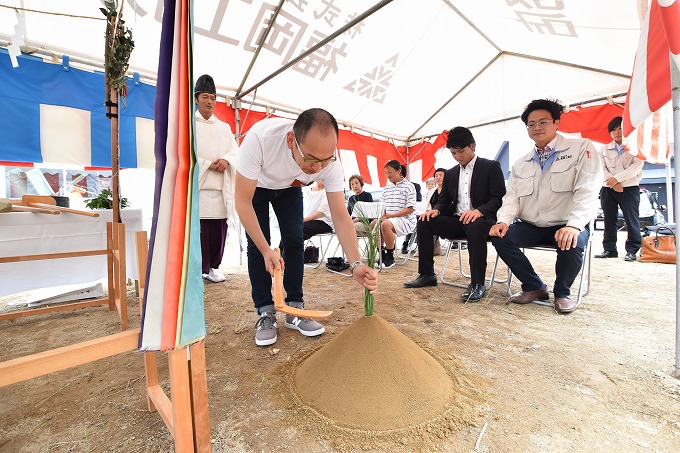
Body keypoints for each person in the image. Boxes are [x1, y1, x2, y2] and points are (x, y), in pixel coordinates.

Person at [234, 108, 378, 346]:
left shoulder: (329, 161)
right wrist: (266, 250)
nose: (318, 168)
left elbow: (340, 216)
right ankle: (265, 311)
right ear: (292, 141)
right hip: (256, 187)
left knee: (294, 238)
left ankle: (294, 309)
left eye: (326, 159)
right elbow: (242, 202)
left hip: (290, 188)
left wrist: (356, 263)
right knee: (258, 245)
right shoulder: (260, 140)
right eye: (311, 159)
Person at [489, 98, 602, 314]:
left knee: (572, 240)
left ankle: (562, 293)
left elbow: (587, 189)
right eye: (531, 124)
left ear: (557, 123)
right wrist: (503, 221)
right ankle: (534, 287)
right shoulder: (521, 162)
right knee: (500, 237)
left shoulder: (581, 148)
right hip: (532, 225)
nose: (537, 127)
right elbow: (512, 197)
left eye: (543, 122)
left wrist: (575, 225)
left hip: (566, 224)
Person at [404, 127, 506, 302]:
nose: (458, 156)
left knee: (474, 225)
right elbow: (444, 200)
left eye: (461, 151)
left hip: (482, 220)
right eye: (453, 153)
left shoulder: (491, 166)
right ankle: (427, 274)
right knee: (424, 221)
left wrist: (478, 211)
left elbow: (498, 198)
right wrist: (436, 209)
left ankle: (477, 284)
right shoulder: (451, 173)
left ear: (472, 146)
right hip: (458, 220)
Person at [194, 74, 238, 283]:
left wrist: (227, 161)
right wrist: (205, 163)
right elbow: (184, 154)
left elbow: (235, 151)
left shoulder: (225, 127)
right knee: (200, 231)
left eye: (212, 97)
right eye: (205, 97)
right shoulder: (188, 127)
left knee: (219, 230)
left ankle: (213, 267)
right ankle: (197, 268)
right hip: (198, 187)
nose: (209, 101)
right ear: (196, 99)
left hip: (220, 186)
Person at [595, 116, 644, 262]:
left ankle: (632, 251)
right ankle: (609, 249)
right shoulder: (603, 149)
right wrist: (612, 182)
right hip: (607, 188)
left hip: (629, 188)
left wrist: (617, 179)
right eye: (613, 129)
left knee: (631, 220)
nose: (617, 132)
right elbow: (600, 168)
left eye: (620, 128)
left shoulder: (636, 148)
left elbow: (636, 167)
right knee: (609, 219)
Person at [375, 160, 416, 269]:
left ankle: (390, 257)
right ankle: (382, 254)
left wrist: (390, 216)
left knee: (385, 224)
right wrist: (383, 215)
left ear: (399, 171)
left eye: (390, 172)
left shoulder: (409, 186)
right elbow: (382, 206)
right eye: (386, 173)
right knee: (374, 224)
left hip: (406, 220)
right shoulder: (386, 188)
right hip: (390, 219)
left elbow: (410, 209)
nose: (388, 175)